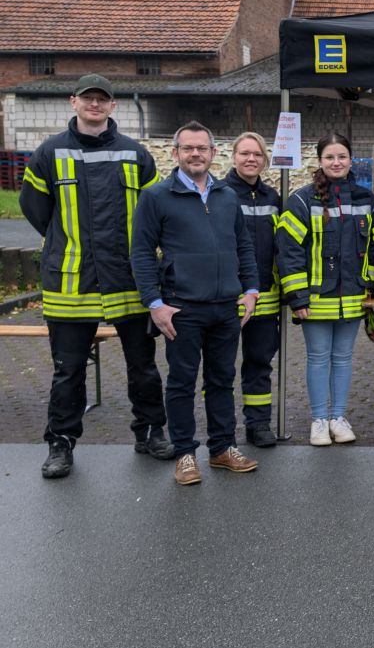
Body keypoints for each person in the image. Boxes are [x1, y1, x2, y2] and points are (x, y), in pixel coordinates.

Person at [20, 74, 172, 479]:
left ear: (113, 106)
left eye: (102, 99)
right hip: (71, 283)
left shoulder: (136, 155)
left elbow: (155, 215)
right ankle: (61, 443)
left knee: (143, 366)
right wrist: (62, 244)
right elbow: (36, 210)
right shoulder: (48, 153)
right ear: (73, 102)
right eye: (87, 98)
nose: (94, 105)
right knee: (68, 370)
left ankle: (152, 430)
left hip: (127, 283)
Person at [131, 122, 260, 486]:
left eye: (202, 148)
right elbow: (140, 253)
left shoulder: (226, 195)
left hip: (225, 307)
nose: (195, 154)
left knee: (222, 379)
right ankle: (185, 453)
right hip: (181, 309)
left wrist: (250, 289)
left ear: (212, 153)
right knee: (182, 382)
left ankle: (222, 448)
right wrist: (155, 304)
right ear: (175, 154)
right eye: (188, 148)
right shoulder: (156, 197)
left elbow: (243, 245)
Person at [277, 133, 374, 447]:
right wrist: (297, 297)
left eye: (342, 157)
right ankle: (319, 421)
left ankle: (339, 418)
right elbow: (289, 251)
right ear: (319, 161)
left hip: (353, 297)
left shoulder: (367, 200)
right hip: (315, 299)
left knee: (343, 359)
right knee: (318, 359)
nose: (336, 162)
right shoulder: (300, 200)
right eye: (329, 157)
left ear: (351, 160)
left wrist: (369, 288)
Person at [219, 132, 283, 448]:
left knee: (259, 364)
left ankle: (258, 425)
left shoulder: (273, 198)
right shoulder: (218, 193)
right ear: (233, 156)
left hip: (265, 297)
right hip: (227, 297)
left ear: (264, 160)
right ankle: (224, 429)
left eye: (257, 154)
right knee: (221, 367)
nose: (251, 159)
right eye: (245, 153)